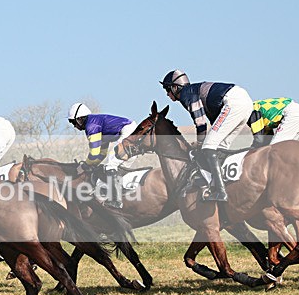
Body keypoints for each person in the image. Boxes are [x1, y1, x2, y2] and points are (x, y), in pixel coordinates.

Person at [160, 69, 254, 201]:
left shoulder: (187, 94)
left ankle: (220, 192)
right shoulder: (194, 91)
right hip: (245, 102)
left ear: (176, 87)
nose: (167, 94)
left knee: (208, 146)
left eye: (167, 89)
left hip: (233, 102)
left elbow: (200, 123)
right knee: (220, 147)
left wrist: (199, 144)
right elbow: (212, 123)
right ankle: (228, 184)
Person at [67, 102, 137, 208]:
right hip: (131, 130)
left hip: (128, 131)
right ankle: (123, 189)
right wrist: (92, 165)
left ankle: (115, 201)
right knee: (116, 165)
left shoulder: (91, 126)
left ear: (80, 119)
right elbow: (101, 153)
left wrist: (85, 166)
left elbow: (94, 153)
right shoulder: (98, 125)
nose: (74, 126)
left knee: (110, 165)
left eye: (73, 122)